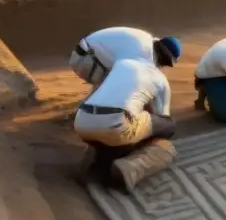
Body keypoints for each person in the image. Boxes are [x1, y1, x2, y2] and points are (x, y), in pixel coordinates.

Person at [74, 57, 176, 192]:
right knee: (167, 145)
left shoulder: (118, 68)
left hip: (83, 123)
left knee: (107, 132)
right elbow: (163, 120)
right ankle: (129, 168)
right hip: (118, 128)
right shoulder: (156, 80)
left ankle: (95, 165)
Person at [69, 27, 181, 87]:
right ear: (163, 54)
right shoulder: (145, 56)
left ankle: (86, 112)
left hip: (85, 53)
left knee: (109, 84)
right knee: (114, 90)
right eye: (166, 61)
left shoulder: (147, 41)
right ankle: (85, 116)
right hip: (85, 60)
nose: (163, 65)